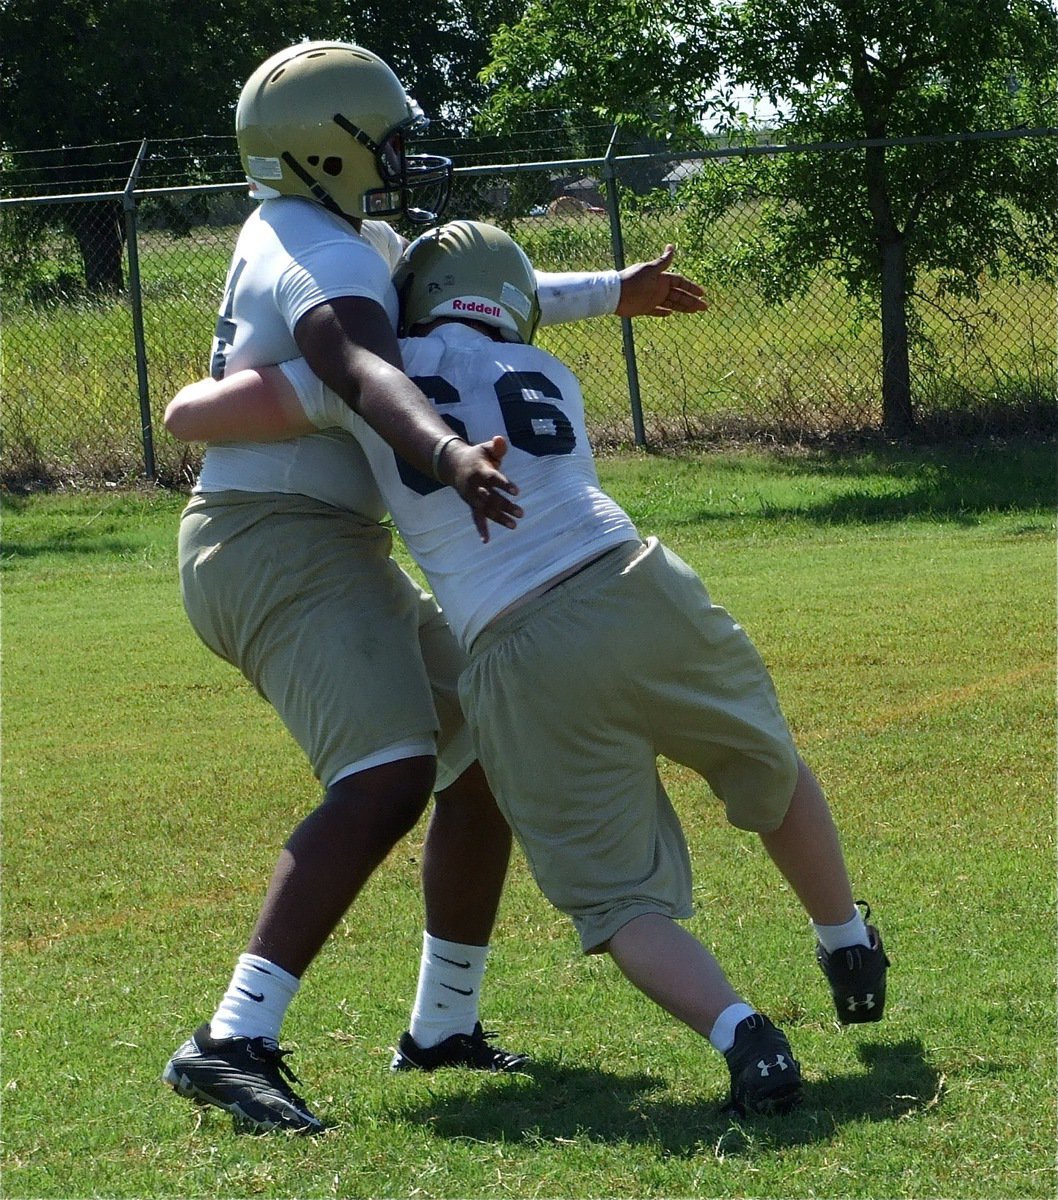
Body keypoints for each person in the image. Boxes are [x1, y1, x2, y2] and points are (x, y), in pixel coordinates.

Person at [166, 220, 891, 1117]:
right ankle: (847, 938)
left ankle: (746, 1035)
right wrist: (611, 291)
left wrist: (246, 356)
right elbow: (516, 300)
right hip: (639, 582)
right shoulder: (551, 374)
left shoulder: (362, 377)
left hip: (517, 639)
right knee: (767, 765)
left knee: (618, 899)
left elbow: (192, 415)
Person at [161, 42, 710, 1135]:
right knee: (388, 771)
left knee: (484, 750)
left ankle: (441, 1025)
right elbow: (366, 368)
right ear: (328, 146)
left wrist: (614, 291)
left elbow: (469, 295)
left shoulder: (329, 233)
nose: (404, 155)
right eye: (387, 136)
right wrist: (447, 453)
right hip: (271, 541)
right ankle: (231, 1036)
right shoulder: (316, 250)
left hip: (320, 539)